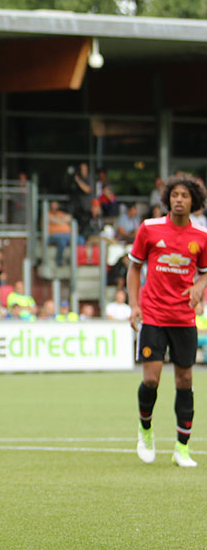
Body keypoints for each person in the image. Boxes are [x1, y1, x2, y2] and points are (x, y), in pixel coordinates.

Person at [128, 172, 207, 468]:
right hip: (154, 316)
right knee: (151, 379)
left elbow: (204, 271)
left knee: (185, 380)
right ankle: (145, 431)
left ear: (194, 202)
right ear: (167, 199)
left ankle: (182, 448)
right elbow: (134, 268)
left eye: (185, 196)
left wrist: (200, 287)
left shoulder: (201, 237)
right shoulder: (149, 229)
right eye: (174, 195)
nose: (178, 200)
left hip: (184, 318)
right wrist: (134, 305)